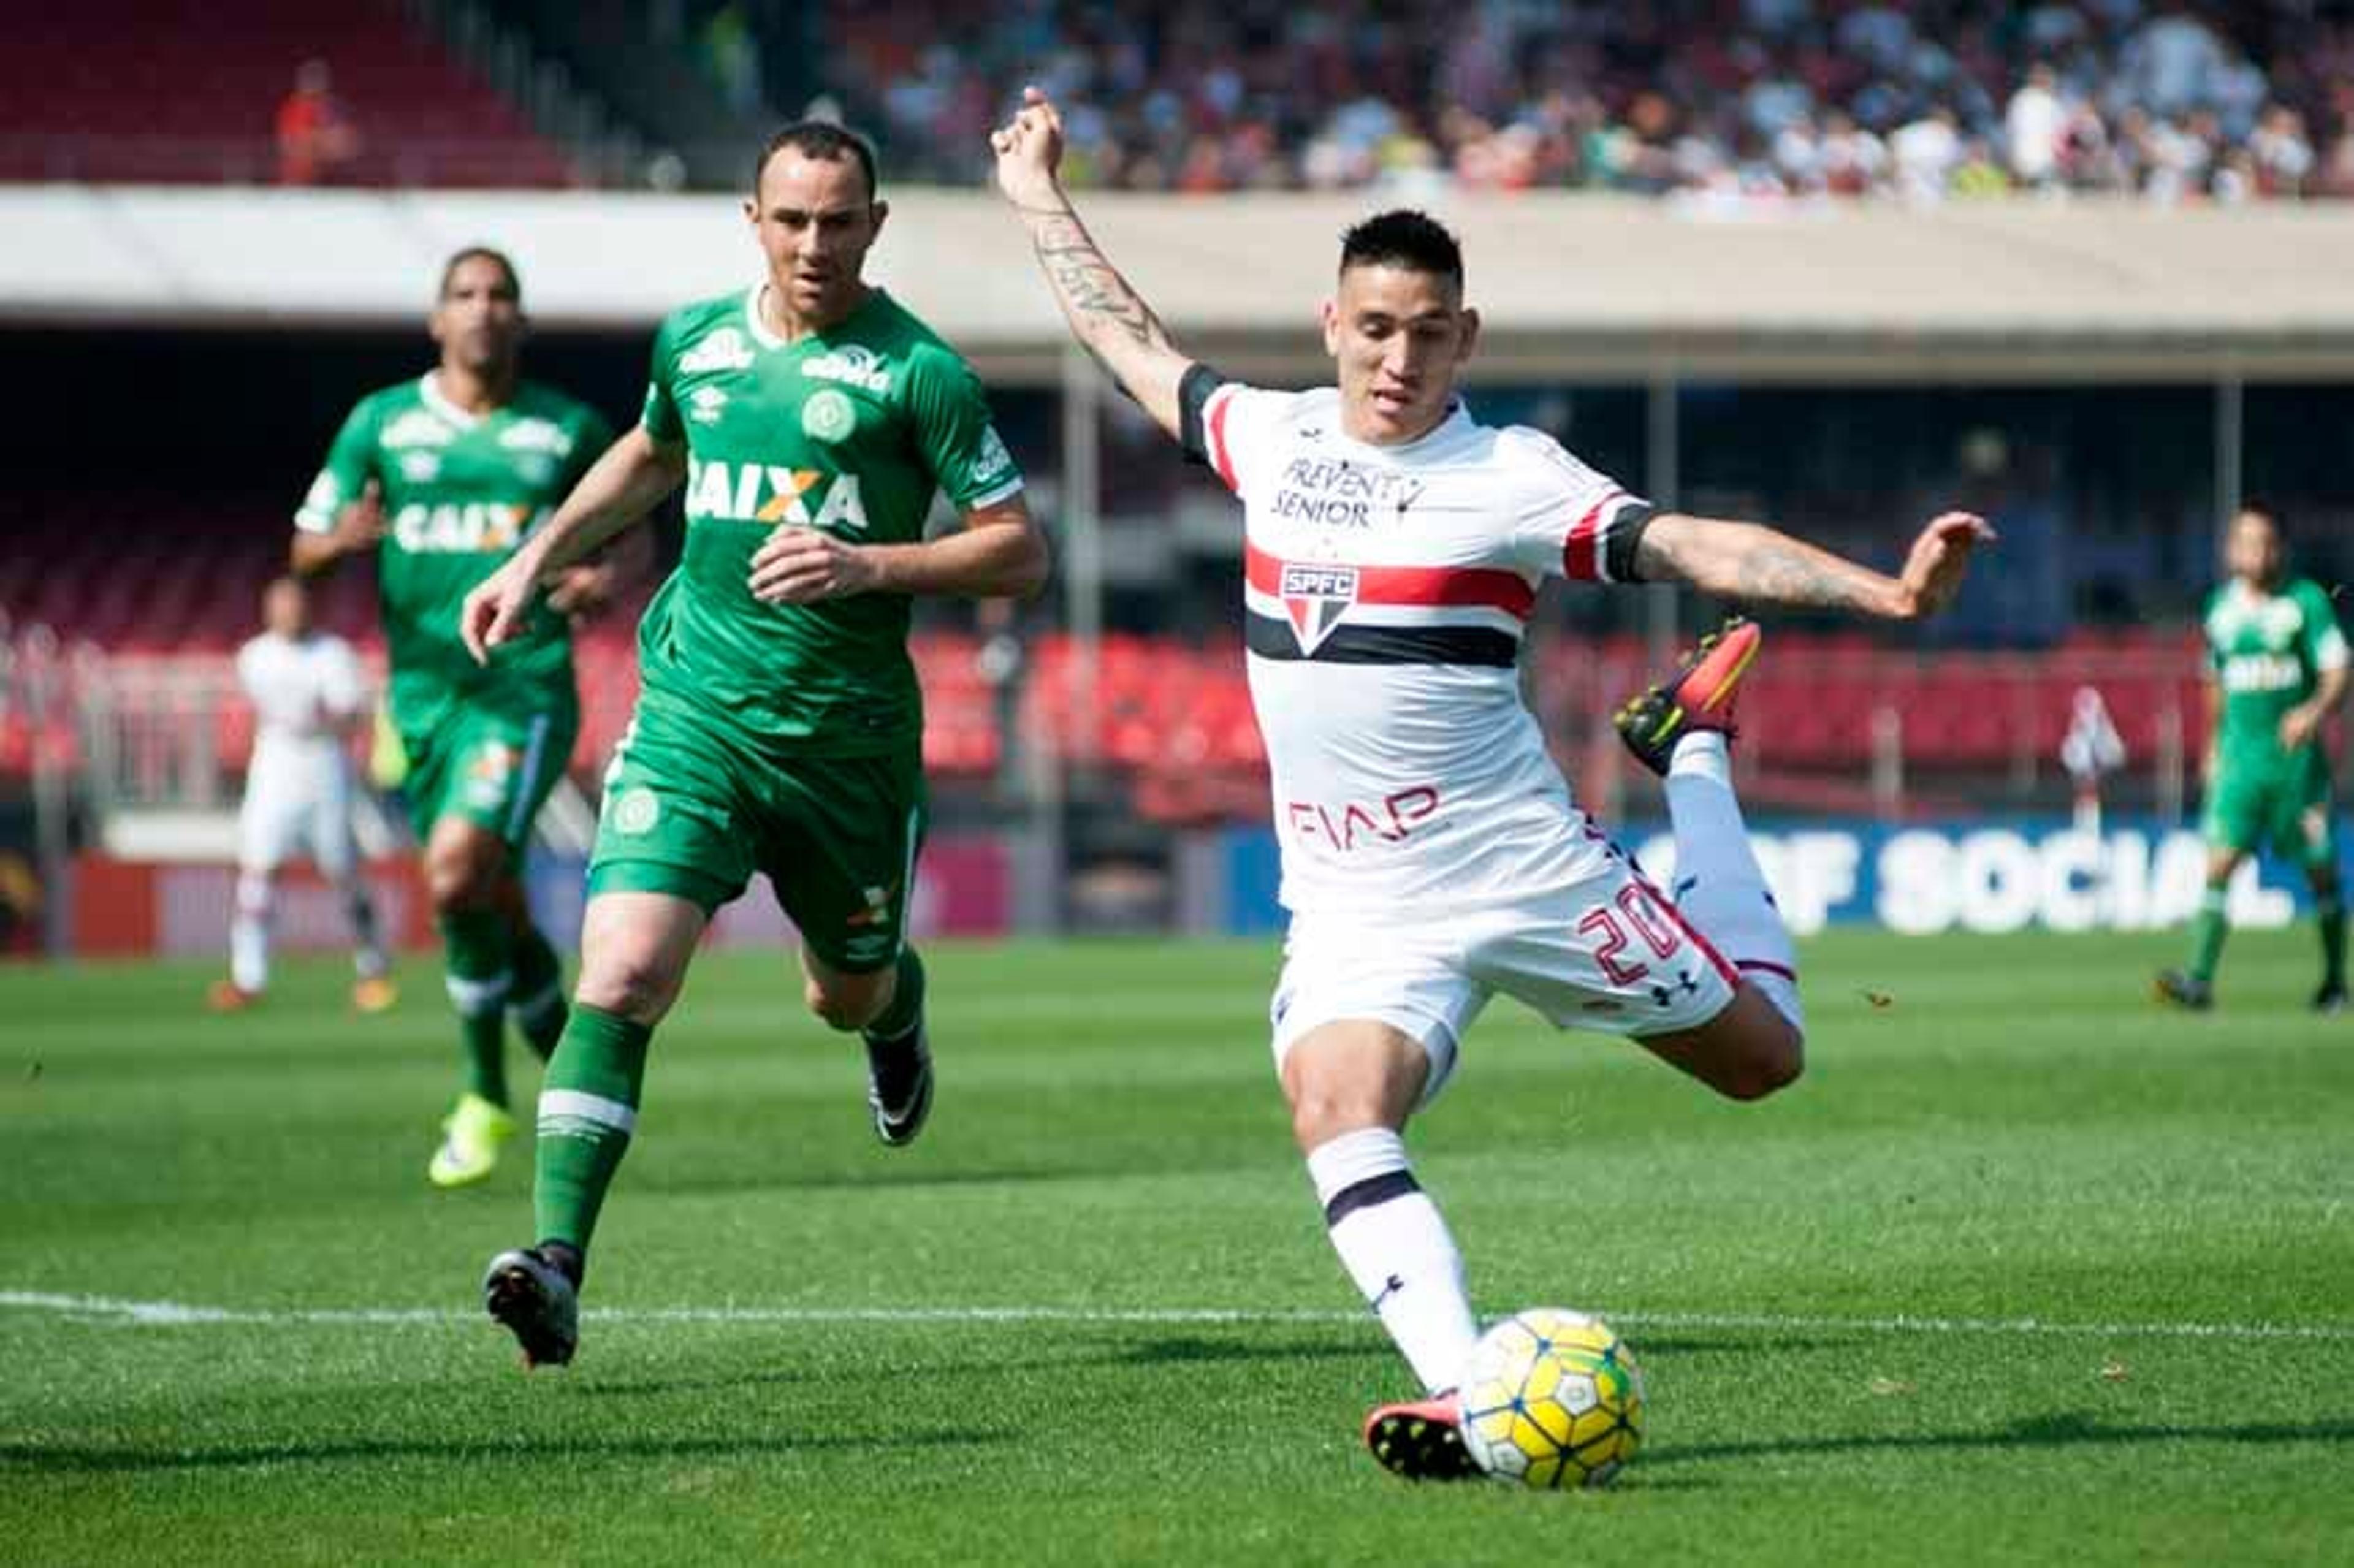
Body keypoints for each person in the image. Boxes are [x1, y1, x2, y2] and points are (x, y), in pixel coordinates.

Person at [991, 85, 1992, 1480]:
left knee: (1766, 1060)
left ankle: (1688, 756)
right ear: (1332, 325)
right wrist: (1038, 191)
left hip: (1522, 869)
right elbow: (1125, 341)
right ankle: (1470, 1392)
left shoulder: (1508, 477)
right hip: (1356, 900)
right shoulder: (1268, 442)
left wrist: (1883, 594)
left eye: (1426, 331)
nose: (1396, 356)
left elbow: (1697, 544)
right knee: (1335, 1106)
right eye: (1374, 326)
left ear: (1462, 337)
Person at [459, 121, 1049, 1368]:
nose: (816, 244)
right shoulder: (696, 341)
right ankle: (557, 1265)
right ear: (754, 220)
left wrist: (871, 561)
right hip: (694, 719)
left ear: (876, 226)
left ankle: (898, 1014)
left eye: (840, 221)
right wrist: (533, 557)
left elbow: (1020, 546)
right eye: (793, 220)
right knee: (621, 974)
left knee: (845, 994)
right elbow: (653, 454)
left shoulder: (919, 372)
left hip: (846, 749)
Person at [293, 246, 636, 1189]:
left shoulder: (566, 430)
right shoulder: (383, 425)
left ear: (520, 320)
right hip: (420, 701)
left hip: (519, 692)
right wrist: (341, 543)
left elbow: (633, 525)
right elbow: (305, 549)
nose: (483, 310)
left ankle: (483, 1094)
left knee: (452, 878)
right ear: (437, 319)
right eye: (465, 296)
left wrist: (606, 575)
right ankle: (561, 1037)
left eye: (500, 296)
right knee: (492, 895)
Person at [2157, 505, 2348, 1013]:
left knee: (2321, 872)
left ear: (2279, 549)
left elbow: (2338, 671)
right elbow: (2214, 683)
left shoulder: (2307, 603)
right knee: (2219, 863)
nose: (2254, 552)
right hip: (2241, 764)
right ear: (2229, 550)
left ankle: (2334, 982)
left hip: (2296, 768)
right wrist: (2212, 748)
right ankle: (2198, 980)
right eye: (2244, 541)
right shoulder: (2219, 608)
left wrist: (2314, 710)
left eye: (2263, 542)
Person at [206, 576, 395, 1014]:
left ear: (309, 608)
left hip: (325, 761)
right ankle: (247, 977)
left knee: (342, 868)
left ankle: (374, 966)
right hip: (275, 760)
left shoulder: (333, 654)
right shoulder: (254, 656)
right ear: (268, 610)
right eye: (280, 605)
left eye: (295, 604)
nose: (288, 612)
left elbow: (354, 718)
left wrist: (333, 717)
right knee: (258, 868)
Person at [275, 59, 362, 187]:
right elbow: (293, 144)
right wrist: (323, 141)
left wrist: (332, 142)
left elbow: (350, 143)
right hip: (298, 181)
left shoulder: (328, 107)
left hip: (328, 179)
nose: (316, 90)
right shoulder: (295, 108)